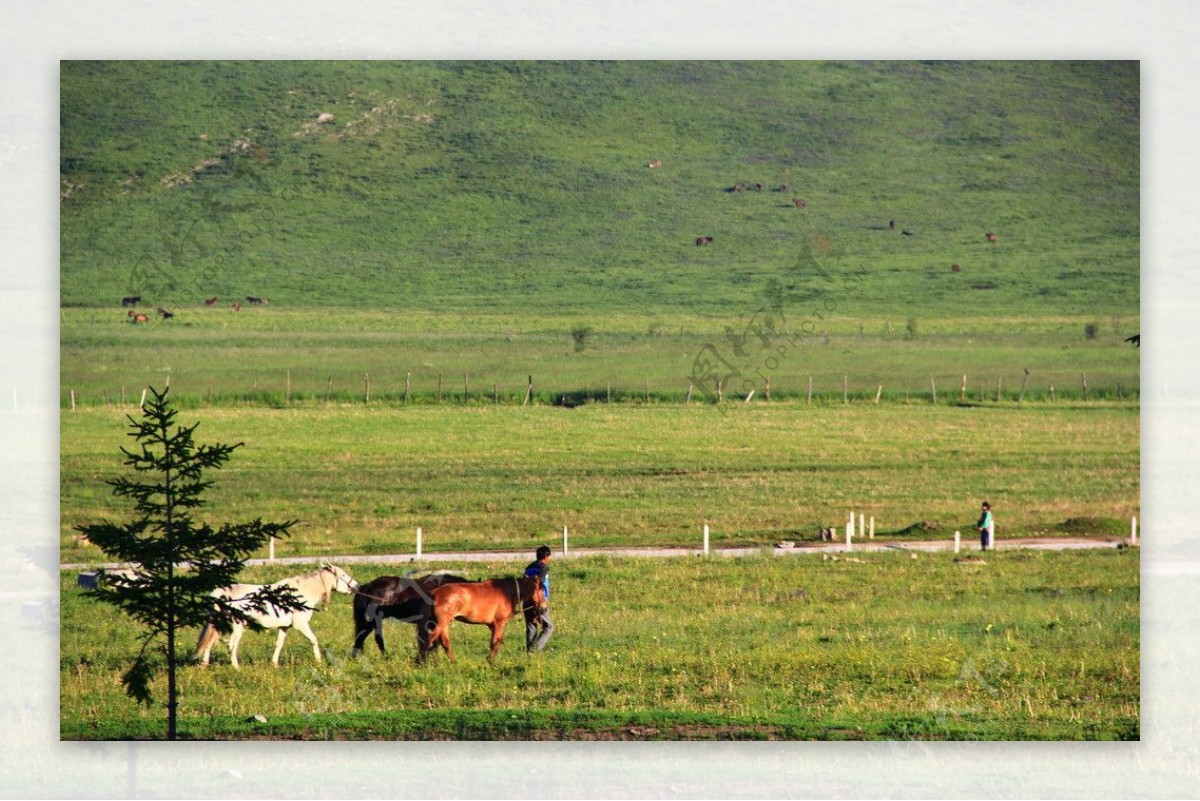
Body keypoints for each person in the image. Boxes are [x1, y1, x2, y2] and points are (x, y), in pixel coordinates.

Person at [524, 545, 553, 652]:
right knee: (549, 627)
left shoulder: (528, 568)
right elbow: (539, 584)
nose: (549, 558)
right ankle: (534, 650)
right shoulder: (543, 568)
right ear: (546, 556)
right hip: (538, 601)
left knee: (531, 627)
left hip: (526, 600)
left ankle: (529, 653)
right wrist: (542, 600)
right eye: (549, 556)